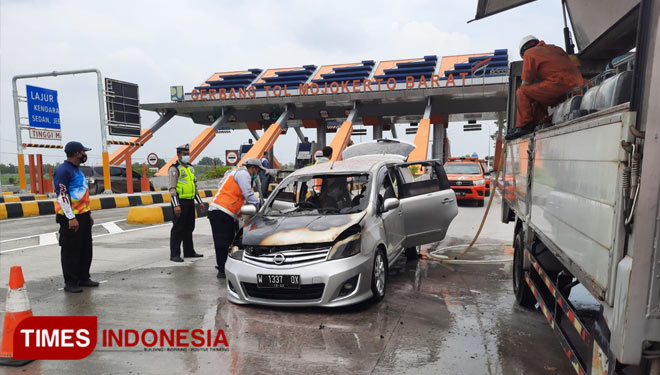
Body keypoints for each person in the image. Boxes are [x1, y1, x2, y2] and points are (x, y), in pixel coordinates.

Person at [506, 35, 585, 140]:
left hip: (558, 84)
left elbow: (526, 82)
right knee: (540, 100)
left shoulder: (529, 54)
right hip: (579, 84)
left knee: (523, 92)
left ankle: (524, 126)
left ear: (523, 52)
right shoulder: (557, 49)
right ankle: (542, 121)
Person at [208, 158, 264, 278]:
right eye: (258, 171)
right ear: (253, 168)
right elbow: (248, 194)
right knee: (222, 243)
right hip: (221, 211)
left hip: (226, 213)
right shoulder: (244, 174)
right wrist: (260, 206)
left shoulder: (237, 173)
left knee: (230, 242)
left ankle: (224, 266)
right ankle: (222, 270)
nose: (257, 175)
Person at [54, 141, 98, 293]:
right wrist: (71, 217)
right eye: (82, 152)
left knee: (85, 248)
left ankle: (83, 277)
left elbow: (82, 194)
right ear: (76, 153)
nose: (85, 154)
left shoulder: (77, 169)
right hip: (70, 216)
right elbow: (63, 195)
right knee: (71, 251)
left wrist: (88, 213)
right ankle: (71, 282)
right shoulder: (63, 170)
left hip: (83, 214)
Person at [169, 144, 205, 262]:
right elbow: (172, 188)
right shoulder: (174, 169)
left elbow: (194, 187)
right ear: (178, 155)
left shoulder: (190, 168)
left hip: (190, 202)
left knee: (189, 227)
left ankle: (189, 251)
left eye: (187, 154)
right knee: (178, 228)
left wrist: (200, 202)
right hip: (180, 202)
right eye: (184, 154)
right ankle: (174, 254)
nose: (186, 156)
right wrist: (176, 205)